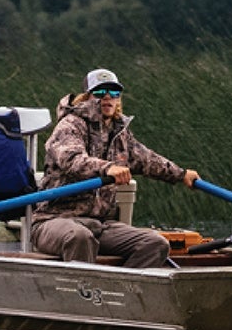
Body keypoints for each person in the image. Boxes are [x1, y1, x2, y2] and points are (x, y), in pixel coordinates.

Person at [32, 68, 201, 266]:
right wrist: (108, 168)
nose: (108, 98)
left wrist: (181, 174)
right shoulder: (70, 125)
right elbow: (72, 160)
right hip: (54, 220)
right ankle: (85, 295)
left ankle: (122, 291)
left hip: (100, 224)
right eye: (100, 92)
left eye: (114, 93)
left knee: (155, 244)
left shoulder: (119, 133)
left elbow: (148, 159)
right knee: (79, 237)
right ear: (86, 97)